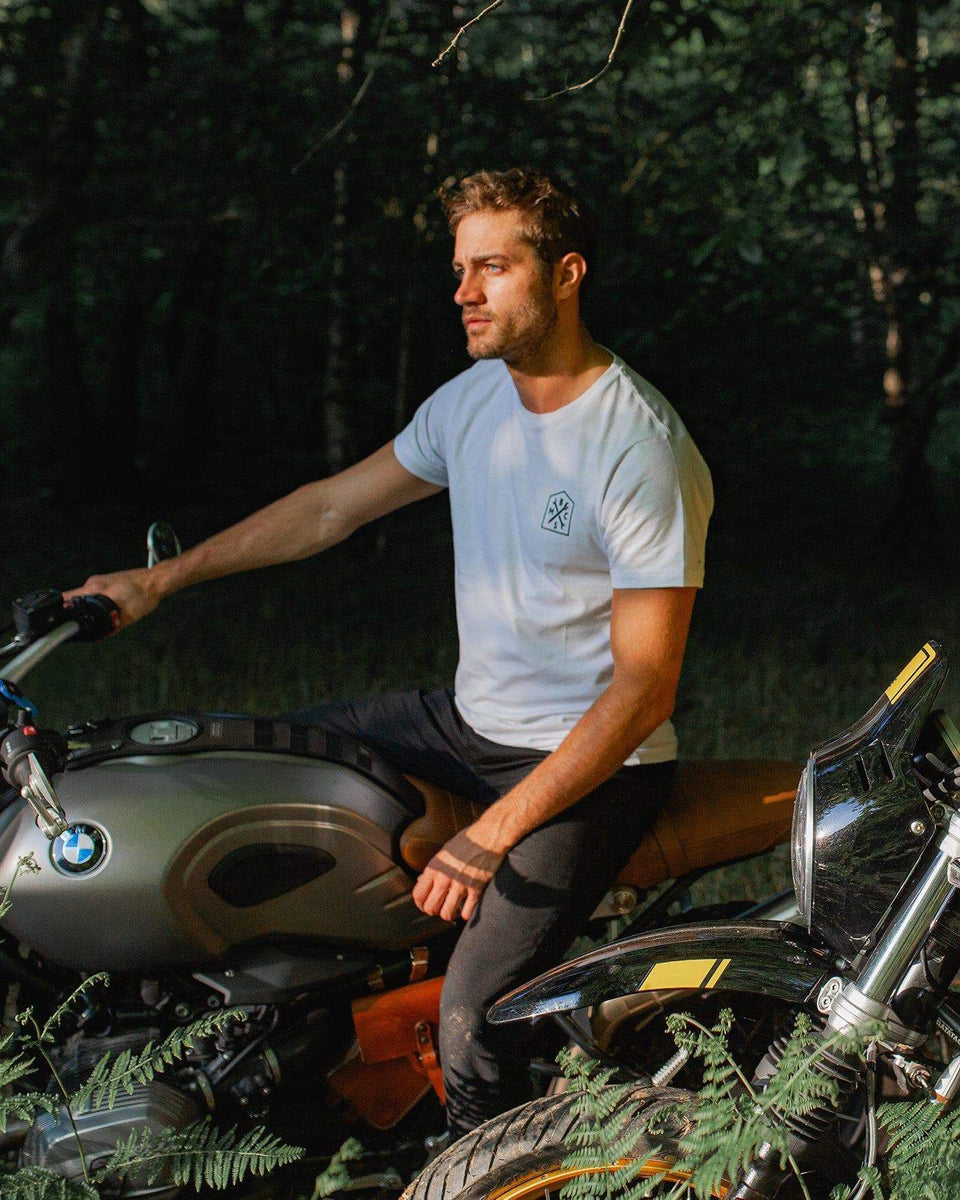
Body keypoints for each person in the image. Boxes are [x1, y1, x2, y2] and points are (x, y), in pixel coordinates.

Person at [64, 168, 713, 1141]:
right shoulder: (472, 404)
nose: (463, 290)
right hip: (463, 721)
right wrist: (160, 582)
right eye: (460, 268)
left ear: (567, 273)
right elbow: (332, 507)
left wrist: (492, 834)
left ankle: (489, 1160)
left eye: (492, 266)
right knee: (227, 775)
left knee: (473, 1024)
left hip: (589, 766)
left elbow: (643, 693)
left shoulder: (638, 444)